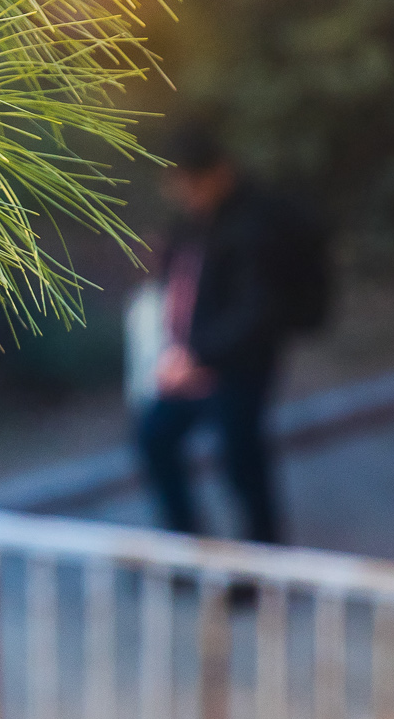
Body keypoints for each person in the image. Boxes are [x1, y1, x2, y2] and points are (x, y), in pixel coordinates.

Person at [134, 124, 326, 546]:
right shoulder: (196, 219)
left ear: (217, 173)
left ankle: (262, 561)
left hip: (238, 364)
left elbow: (258, 310)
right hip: (191, 360)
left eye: (191, 185)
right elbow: (185, 276)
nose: (185, 196)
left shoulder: (254, 224)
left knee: (241, 459)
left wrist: (199, 355)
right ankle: (185, 548)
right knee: (155, 437)